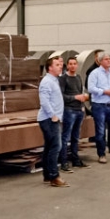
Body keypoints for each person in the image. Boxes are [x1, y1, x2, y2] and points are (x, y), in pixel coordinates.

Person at [39, 56, 68, 187]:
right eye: (57, 65)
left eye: (60, 64)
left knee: (49, 147)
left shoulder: (54, 80)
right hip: (49, 119)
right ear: (50, 68)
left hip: (52, 118)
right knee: (56, 147)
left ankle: (47, 175)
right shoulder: (46, 82)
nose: (60, 66)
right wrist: (53, 115)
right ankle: (54, 177)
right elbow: (44, 101)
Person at [59, 57, 89, 170]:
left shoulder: (78, 77)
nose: (72, 66)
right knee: (65, 137)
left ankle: (76, 160)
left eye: (74, 64)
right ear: (67, 65)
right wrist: (75, 97)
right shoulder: (63, 79)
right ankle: (64, 162)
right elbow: (61, 96)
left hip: (78, 110)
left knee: (76, 137)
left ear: (77, 65)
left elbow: (81, 92)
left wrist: (82, 106)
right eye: (70, 64)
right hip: (69, 110)